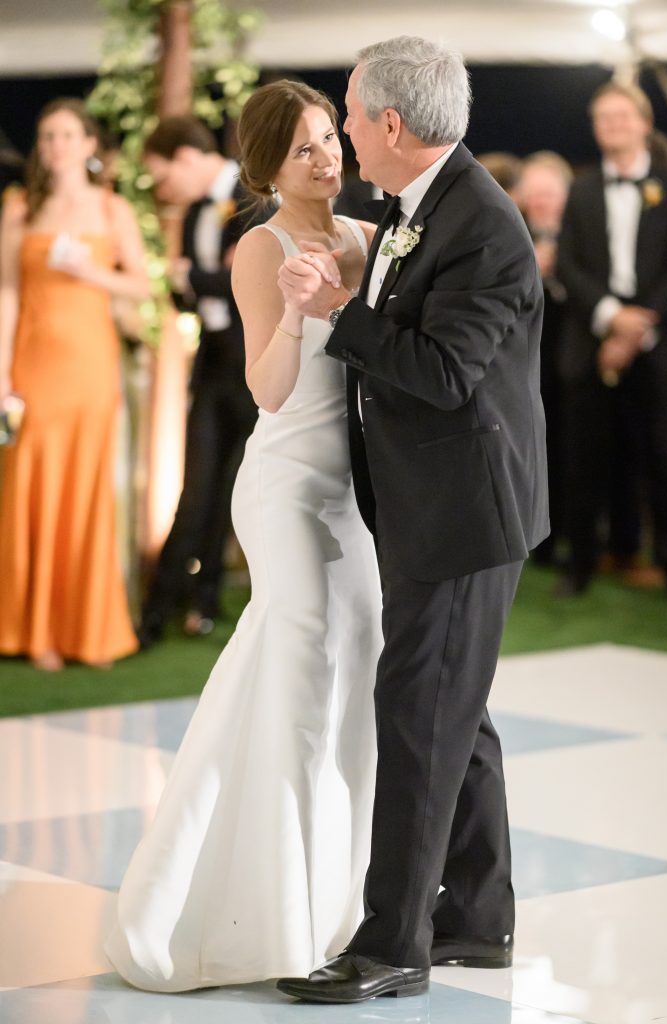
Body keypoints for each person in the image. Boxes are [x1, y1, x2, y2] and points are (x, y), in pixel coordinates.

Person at [276, 36, 548, 1003]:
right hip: (436, 497)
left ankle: (393, 943)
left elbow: (439, 375)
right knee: (454, 715)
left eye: (350, 113)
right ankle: (477, 920)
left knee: (422, 717)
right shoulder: (427, 207)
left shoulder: (480, 223)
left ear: (392, 123)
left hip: (466, 509)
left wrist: (343, 310)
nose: (345, 130)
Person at [105, 80, 383, 990]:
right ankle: (263, 912)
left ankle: (343, 894)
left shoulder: (371, 238)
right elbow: (266, 389)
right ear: (267, 167)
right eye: (304, 149)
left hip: (356, 494)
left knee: (361, 661)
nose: (327, 158)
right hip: (288, 485)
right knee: (299, 663)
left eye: (330, 141)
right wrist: (306, 306)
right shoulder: (260, 248)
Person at [0, 98, 148, 670]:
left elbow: (140, 286)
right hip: (33, 365)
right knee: (31, 487)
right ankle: (34, 630)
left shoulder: (114, 212)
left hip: (90, 367)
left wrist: (89, 271)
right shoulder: (18, 207)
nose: (56, 146)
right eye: (46, 137)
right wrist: (3, 373)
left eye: (66, 135)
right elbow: (7, 294)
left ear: (89, 145)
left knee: (86, 492)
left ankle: (89, 629)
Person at [556, 82, 667, 598]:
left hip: (659, 340)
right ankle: (580, 563)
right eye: (602, 117)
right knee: (585, 458)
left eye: (621, 116)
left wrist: (640, 326)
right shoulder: (582, 189)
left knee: (665, 457)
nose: (612, 125)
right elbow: (569, 262)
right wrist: (611, 318)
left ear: (644, 123)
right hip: (593, 340)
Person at [137, 116, 259, 646]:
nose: (162, 189)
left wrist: (196, 275)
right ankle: (158, 609)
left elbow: (249, 280)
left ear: (187, 158)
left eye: (163, 177)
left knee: (233, 491)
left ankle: (204, 600)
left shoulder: (256, 198)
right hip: (209, 366)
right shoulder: (191, 213)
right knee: (196, 488)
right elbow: (187, 290)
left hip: (253, 369)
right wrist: (195, 280)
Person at [518, 151, 573, 566]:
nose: (540, 201)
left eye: (548, 193)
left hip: (572, 358)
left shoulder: (582, 235)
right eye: (533, 193)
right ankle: (541, 542)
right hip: (528, 364)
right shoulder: (512, 232)